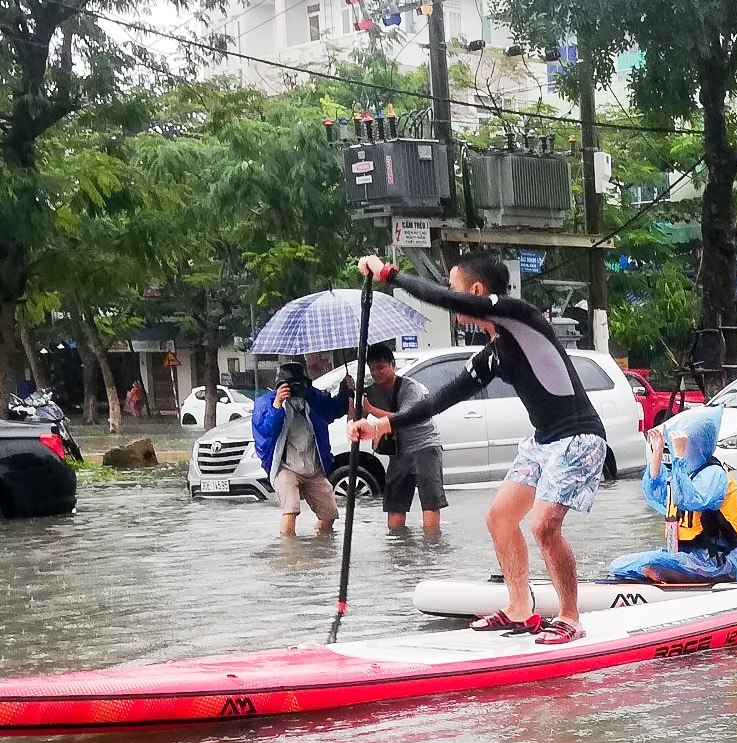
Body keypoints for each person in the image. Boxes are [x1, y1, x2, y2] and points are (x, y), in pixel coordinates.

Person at [349, 251, 607, 645]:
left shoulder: (520, 316)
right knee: (500, 517)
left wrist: (389, 274)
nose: (451, 296)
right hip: (543, 442)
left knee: (543, 525)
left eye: (454, 286)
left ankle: (571, 617)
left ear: (476, 290)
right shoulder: (494, 353)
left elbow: (447, 299)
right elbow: (440, 399)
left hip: (580, 437)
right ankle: (521, 609)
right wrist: (382, 423)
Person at [607, 406, 737, 584]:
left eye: (683, 445)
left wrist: (679, 459)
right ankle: (668, 573)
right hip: (683, 555)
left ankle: (672, 575)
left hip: (716, 561)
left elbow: (689, 500)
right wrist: (657, 452)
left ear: (697, 444)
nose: (676, 449)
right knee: (618, 565)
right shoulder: (681, 475)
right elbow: (654, 495)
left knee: (654, 564)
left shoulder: (715, 475)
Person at [252, 361, 353, 536]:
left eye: (300, 384)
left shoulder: (312, 398)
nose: (295, 389)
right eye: (291, 385)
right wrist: (277, 405)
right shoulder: (265, 403)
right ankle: (289, 552)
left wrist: (345, 390)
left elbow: (334, 409)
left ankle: (320, 547)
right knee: (291, 509)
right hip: (285, 467)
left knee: (329, 514)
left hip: (313, 467)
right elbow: (266, 431)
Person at [362, 342, 447, 531]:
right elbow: (355, 421)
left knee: (430, 502)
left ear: (393, 365)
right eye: (372, 369)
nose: (376, 373)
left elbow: (404, 418)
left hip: (425, 446)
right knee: (394, 504)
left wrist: (370, 409)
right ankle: (397, 549)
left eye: (381, 368)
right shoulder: (370, 391)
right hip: (399, 451)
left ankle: (432, 545)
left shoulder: (411, 387)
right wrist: (350, 395)